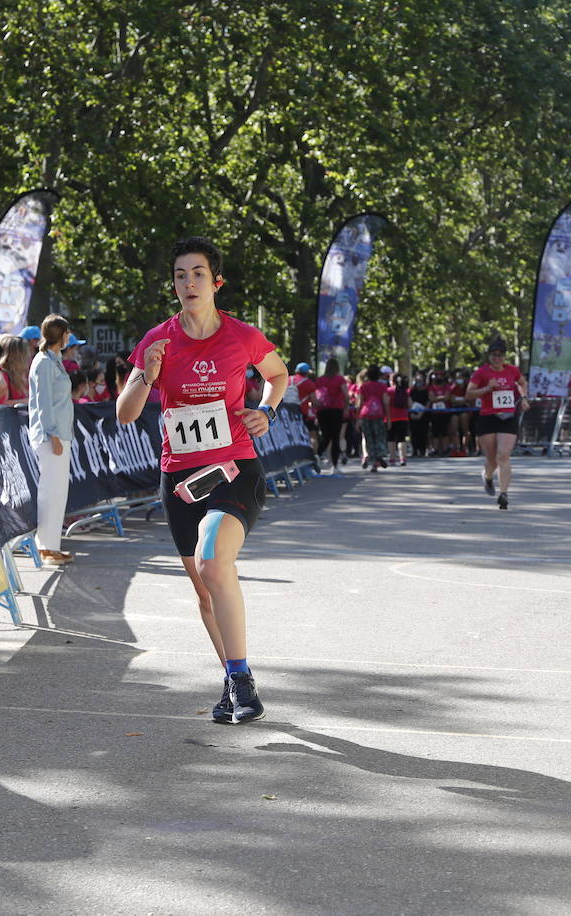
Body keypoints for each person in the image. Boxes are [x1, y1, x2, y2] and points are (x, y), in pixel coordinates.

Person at [116, 236, 288, 725]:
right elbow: (125, 414)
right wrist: (147, 375)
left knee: (214, 562)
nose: (188, 283)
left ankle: (242, 677)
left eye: (197, 274)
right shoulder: (157, 341)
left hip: (235, 468)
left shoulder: (242, 336)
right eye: (179, 275)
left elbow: (277, 377)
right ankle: (235, 681)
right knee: (205, 592)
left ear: (216, 282)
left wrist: (265, 411)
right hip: (181, 479)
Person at [28, 315, 76, 565]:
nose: (69, 337)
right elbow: (44, 402)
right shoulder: (45, 362)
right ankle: (46, 546)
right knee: (51, 491)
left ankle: (51, 544)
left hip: (58, 433)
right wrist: (53, 434)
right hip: (51, 435)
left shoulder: (52, 360)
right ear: (61, 334)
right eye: (67, 333)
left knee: (58, 492)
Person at [466, 338, 528, 510]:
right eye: (494, 355)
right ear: (489, 356)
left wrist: (523, 398)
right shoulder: (481, 373)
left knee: (503, 456)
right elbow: (469, 394)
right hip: (487, 418)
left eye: (500, 355)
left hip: (507, 417)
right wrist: (486, 389)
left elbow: (521, 382)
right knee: (492, 460)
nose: (497, 358)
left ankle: (504, 494)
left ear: (504, 356)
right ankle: (487, 476)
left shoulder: (512, 370)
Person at [313, 358, 348, 471]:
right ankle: (335, 465)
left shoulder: (320, 380)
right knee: (335, 437)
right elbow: (346, 395)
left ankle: (317, 455)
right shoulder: (340, 379)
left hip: (322, 410)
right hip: (336, 410)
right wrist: (346, 408)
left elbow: (315, 395)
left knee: (325, 436)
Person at [355, 365, 390, 471]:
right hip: (378, 415)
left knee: (369, 439)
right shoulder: (382, 386)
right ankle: (378, 457)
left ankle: (374, 459)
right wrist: (388, 418)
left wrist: (357, 419)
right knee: (379, 437)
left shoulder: (363, 387)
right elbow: (386, 402)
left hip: (365, 414)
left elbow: (359, 403)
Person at [0, 334, 32, 405]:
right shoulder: (3, 375)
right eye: (25, 352)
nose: (29, 354)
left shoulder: (24, 372)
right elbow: (3, 404)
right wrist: (30, 401)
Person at [386, 373, 410, 466]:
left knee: (391, 438)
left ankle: (392, 458)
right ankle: (402, 458)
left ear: (392, 381)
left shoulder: (388, 390)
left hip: (390, 417)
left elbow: (386, 404)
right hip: (403, 417)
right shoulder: (405, 391)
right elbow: (409, 404)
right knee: (402, 438)